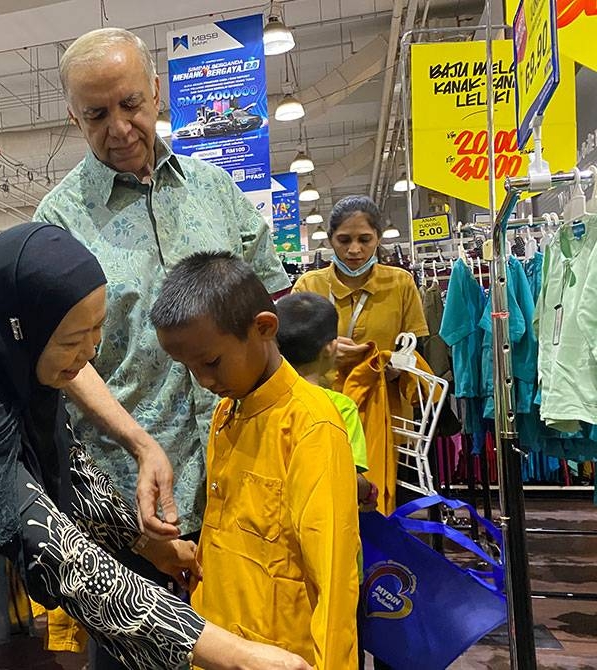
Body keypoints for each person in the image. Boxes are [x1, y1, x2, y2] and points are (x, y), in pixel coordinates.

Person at [0, 223, 309, 670]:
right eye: (71, 341)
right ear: (18, 333)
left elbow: (74, 476)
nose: (92, 352)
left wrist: (149, 546)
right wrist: (235, 656)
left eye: (97, 329)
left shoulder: (21, 384)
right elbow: (67, 560)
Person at [34, 25, 290, 557]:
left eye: (130, 104)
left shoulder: (214, 190)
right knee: (144, 636)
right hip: (134, 499)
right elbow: (65, 362)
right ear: (74, 119)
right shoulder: (57, 222)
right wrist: (141, 443)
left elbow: (270, 309)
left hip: (246, 475)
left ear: (155, 91)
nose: (121, 128)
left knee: (254, 631)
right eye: (97, 116)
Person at [152, 251, 360, 670]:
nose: (204, 380)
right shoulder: (226, 412)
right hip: (220, 645)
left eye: (210, 362)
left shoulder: (312, 426)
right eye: (188, 368)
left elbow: (336, 581)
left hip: (283, 655)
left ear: (264, 328)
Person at [291, 195, 428, 375]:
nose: (354, 250)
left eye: (364, 240)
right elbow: (290, 353)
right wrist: (324, 355)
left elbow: (416, 348)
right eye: (344, 240)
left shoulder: (401, 283)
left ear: (378, 238)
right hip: (326, 400)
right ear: (330, 239)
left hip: (384, 397)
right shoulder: (308, 286)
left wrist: (398, 370)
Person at [275, 292, 378, 510]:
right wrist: (369, 493)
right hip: (324, 520)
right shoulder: (340, 407)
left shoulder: (261, 401)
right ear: (331, 349)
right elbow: (348, 476)